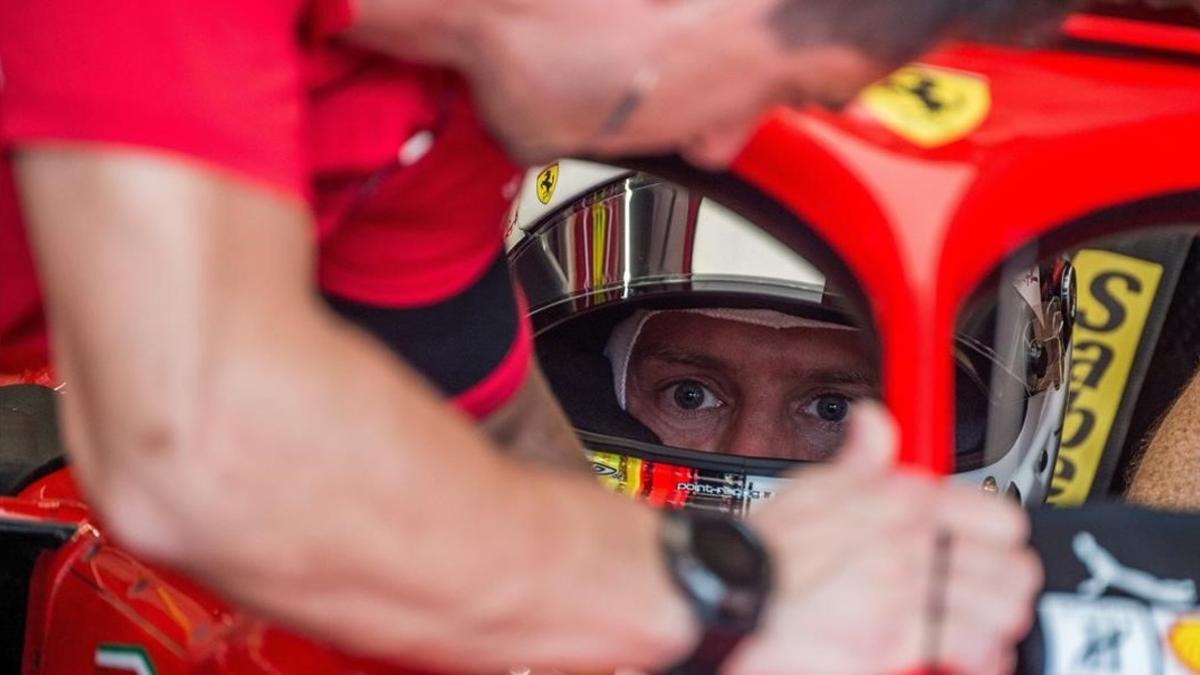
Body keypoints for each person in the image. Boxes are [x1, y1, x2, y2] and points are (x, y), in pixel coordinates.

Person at [0, 1, 1065, 672]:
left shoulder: (447, 112)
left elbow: (484, 423)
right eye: (783, 88)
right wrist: (728, 594)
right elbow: (198, 452)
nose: (721, 142)